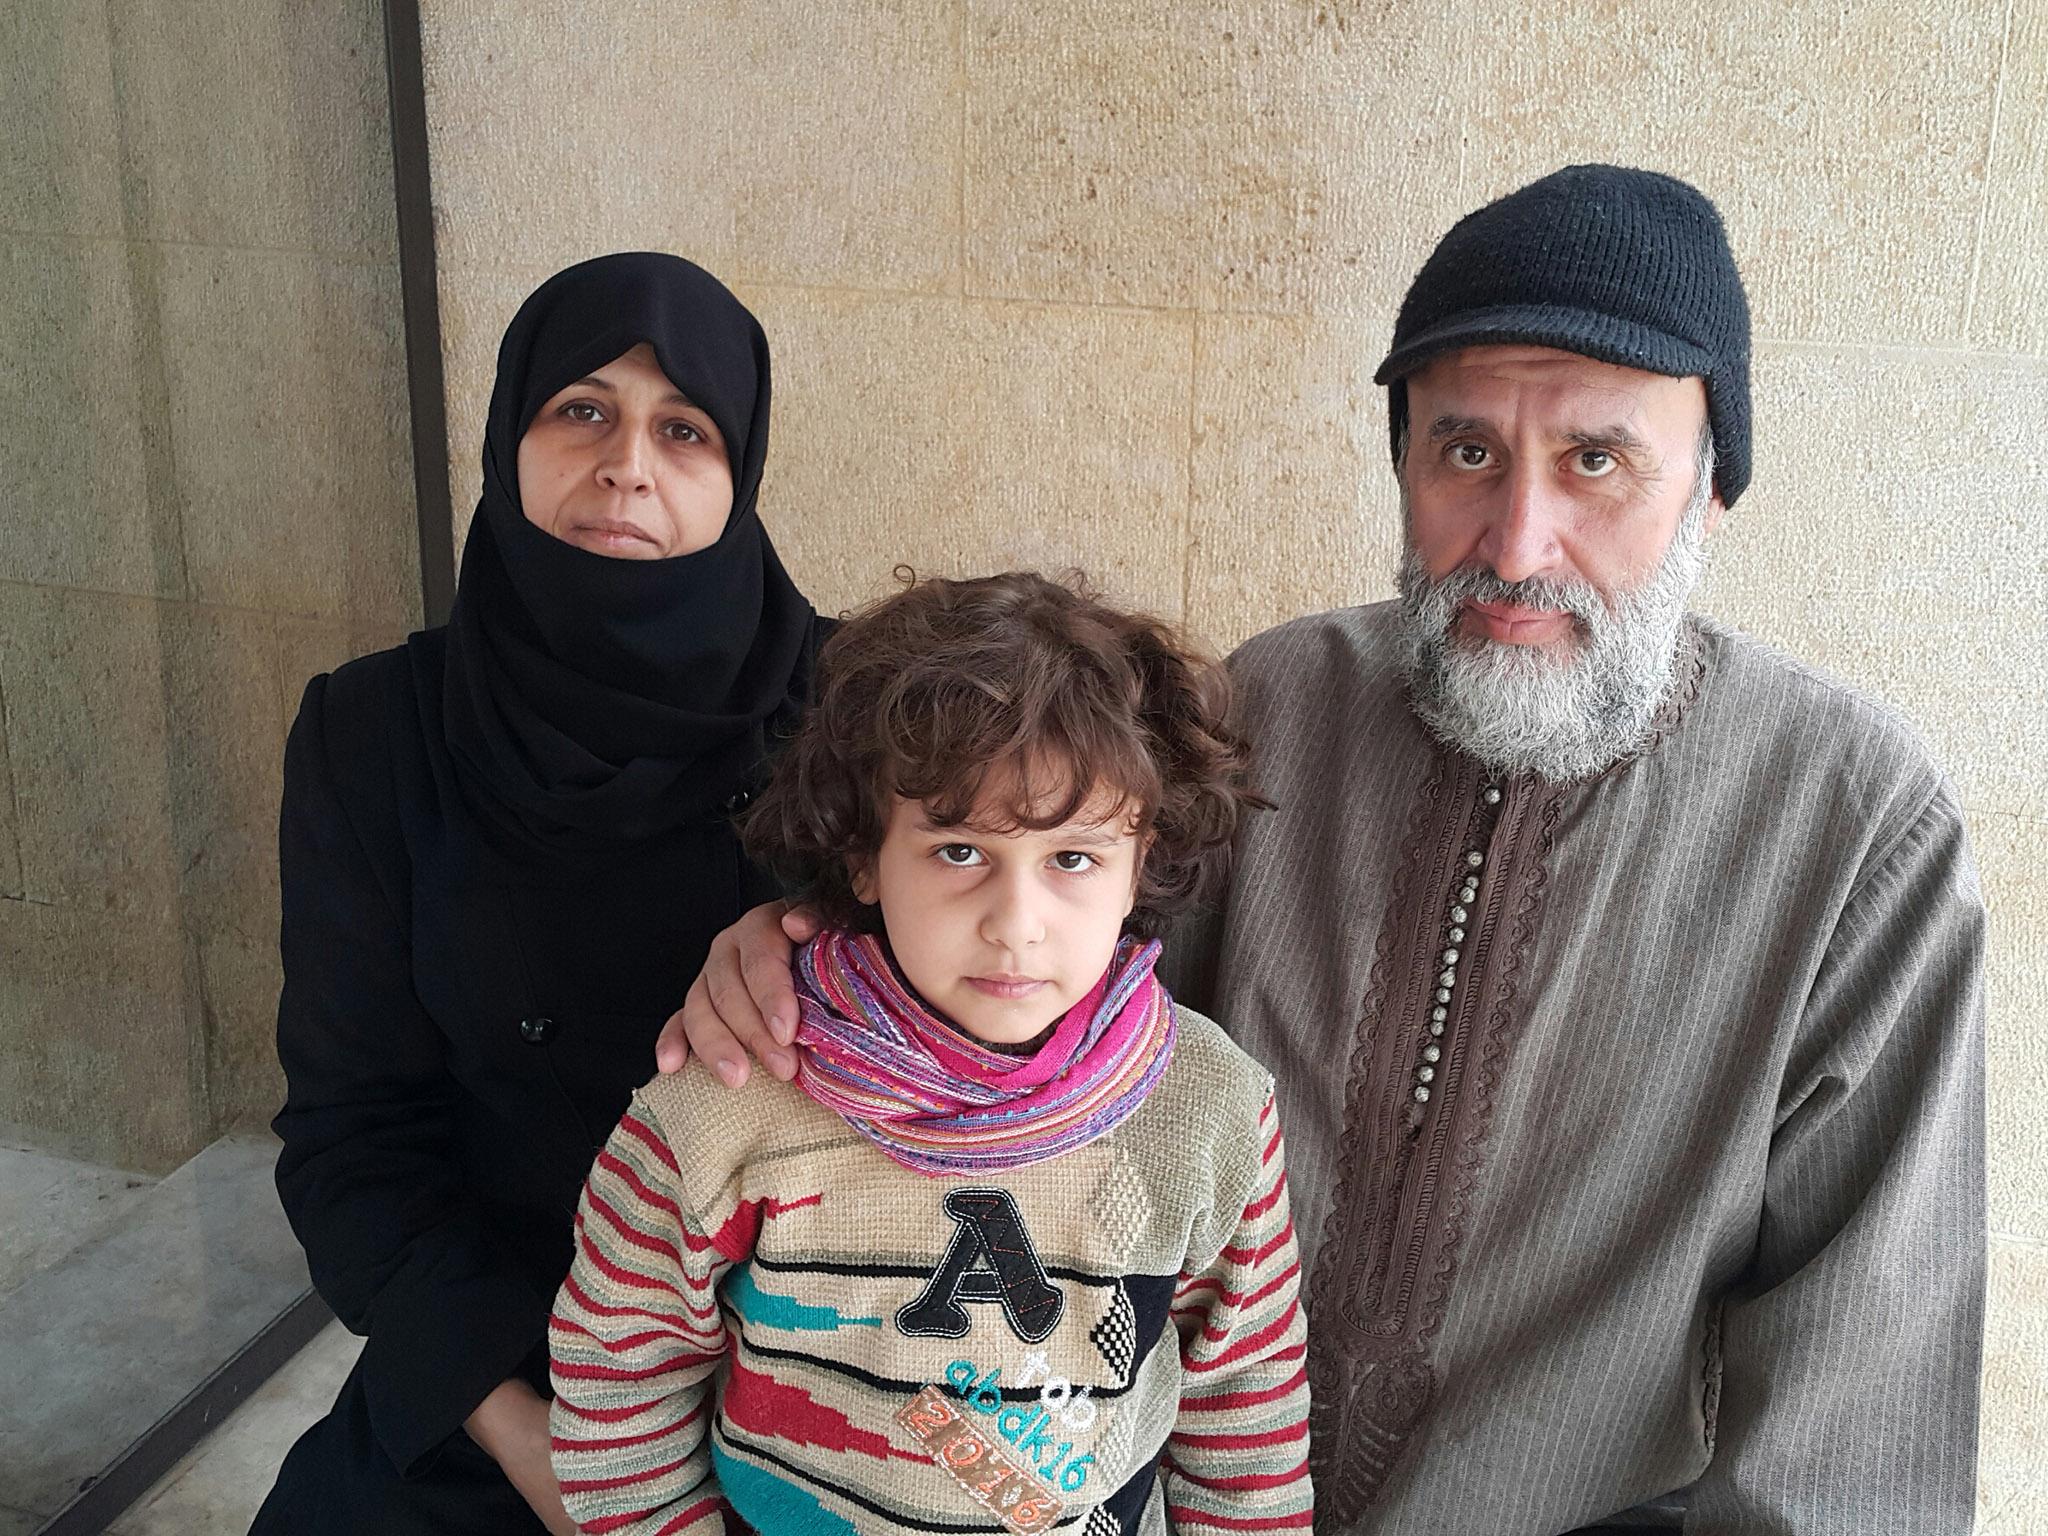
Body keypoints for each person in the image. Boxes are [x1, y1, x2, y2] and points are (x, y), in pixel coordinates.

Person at [662, 166, 1989, 1533]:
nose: (1518, 541)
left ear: (1713, 491)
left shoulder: (1852, 835)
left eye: (1596, 460)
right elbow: (1015, 1013)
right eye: (1467, 453)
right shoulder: (1272, 709)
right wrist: (816, 963)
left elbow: (1853, 1453)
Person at [548, 573, 1312, 1535]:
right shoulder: (719, 1111)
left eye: (1072, 858)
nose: (1016, 927)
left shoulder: (1212, 1110)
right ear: (864, 855)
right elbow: (616, 1393)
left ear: (1140, 864)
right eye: (959, 852)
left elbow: (1246, 1420)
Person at [253, 253, 822, 1535]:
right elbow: (352, 1141)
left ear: (741, 478)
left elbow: (1062, 953)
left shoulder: (857, 714)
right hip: (508, 1362)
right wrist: (527, 1436)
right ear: (510, 438)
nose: (627, 464)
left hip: (813, 1387)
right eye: (581, 409)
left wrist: (811, 930)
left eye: (683, 429)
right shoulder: (374, 734)